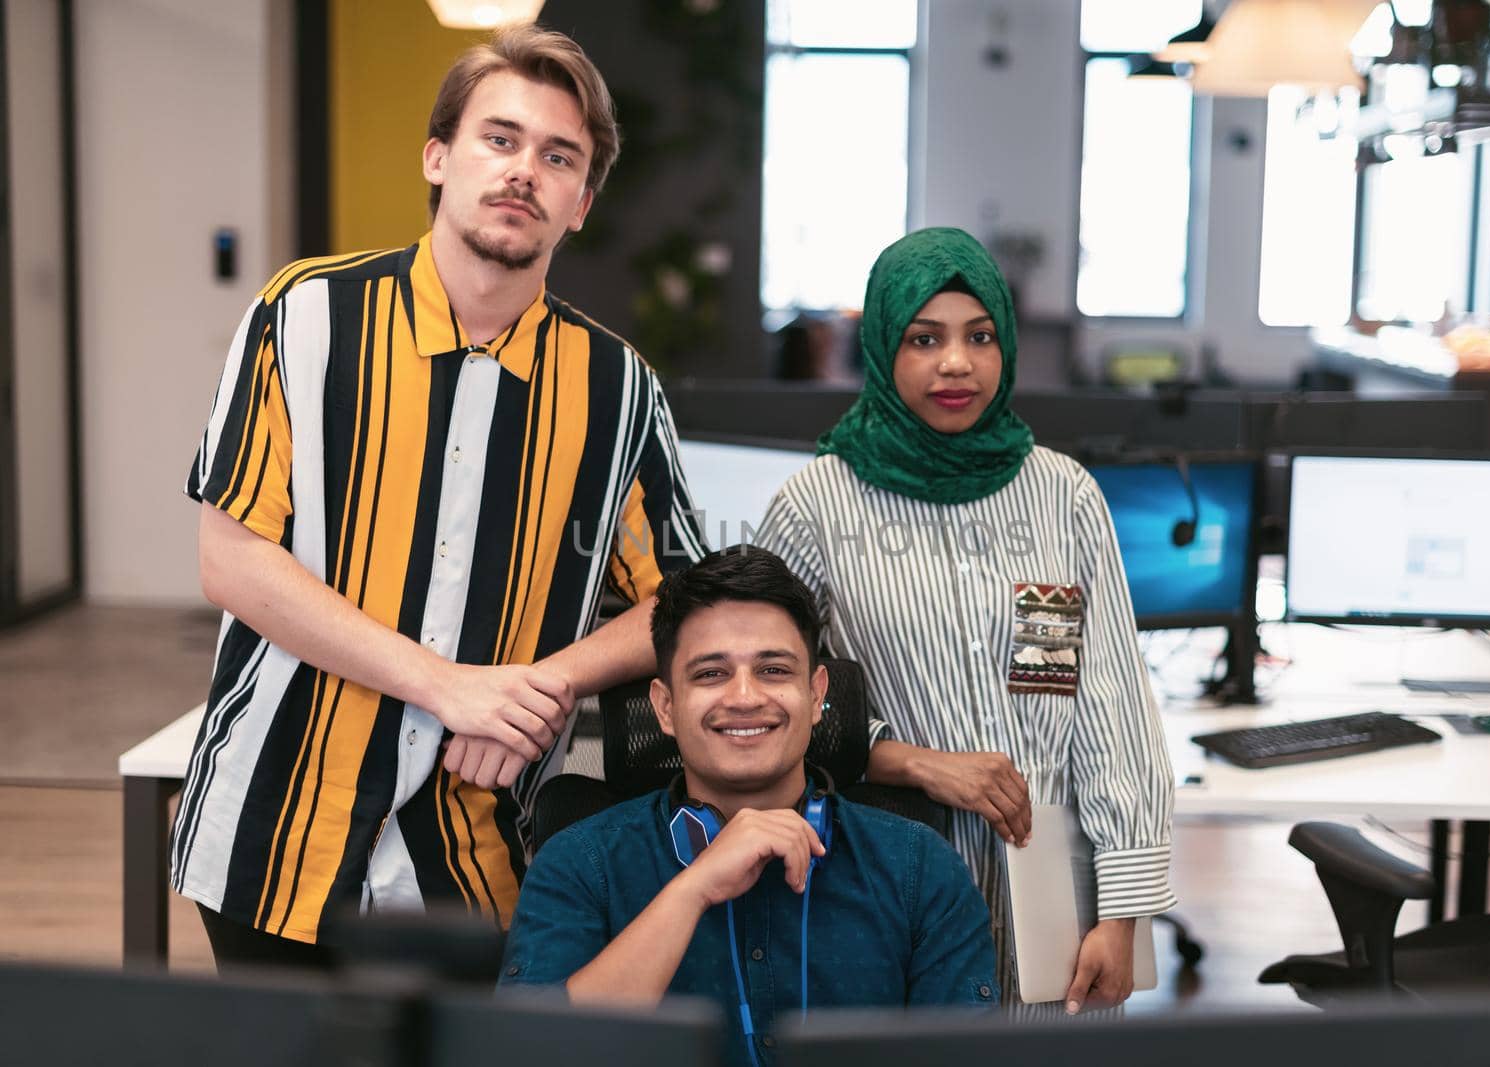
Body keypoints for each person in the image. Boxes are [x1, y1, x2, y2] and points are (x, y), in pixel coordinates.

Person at [174, 23, 705, 967]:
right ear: (439, 156)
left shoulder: (619, 390)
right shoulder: (305, 318)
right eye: (499, 139)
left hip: (476, 851)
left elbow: (685, 600)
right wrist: (449, 688)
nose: (522, 172)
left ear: (581, 202)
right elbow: (233, 559)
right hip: (277, 828)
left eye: (557, 157)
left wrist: (542, 689)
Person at [755, 227, 1175, 1014]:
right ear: (883, 348)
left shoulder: (1063, 496)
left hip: (1054, 892)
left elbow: (1112, 707)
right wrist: (914, 760)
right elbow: (766, 705)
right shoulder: (816, 506)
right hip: (889, 880)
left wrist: (1121, 910)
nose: (957, 363)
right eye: (925, 338)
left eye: (980, 336)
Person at [500, 547, 997, 1065]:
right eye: (711, 674)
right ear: (665, 707)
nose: (744, 697)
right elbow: (530, 1053)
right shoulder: (580, 862)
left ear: (816, 694)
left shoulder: (921, 868)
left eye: (774, 670)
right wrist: (692, 890)